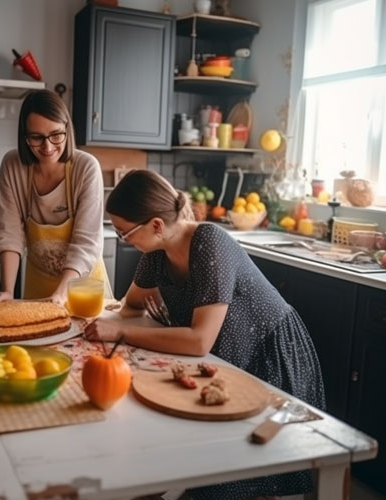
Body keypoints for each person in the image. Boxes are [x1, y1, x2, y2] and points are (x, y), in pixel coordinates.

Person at [84, 169, 325, 500]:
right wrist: (116, 323)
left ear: (155, 225)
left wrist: (119, 332)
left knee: (229, 473)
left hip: (268, 357)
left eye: (126, 234)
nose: (126, 240)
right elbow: (131, 307)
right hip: (221, 362)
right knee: (185, 453)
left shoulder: (209, 242)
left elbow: (199, 341)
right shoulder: (155, 253)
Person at [0, 88, 110, 304]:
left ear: (67, 129)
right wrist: (8, 291)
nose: (47, 147)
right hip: (37, 286)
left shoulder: (86, 168)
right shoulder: (12, 165)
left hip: (82, 290)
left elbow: (86, 242)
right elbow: (9, 233)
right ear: (24, 136)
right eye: (36, 137)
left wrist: (61, 294)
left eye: (56, 135)